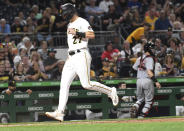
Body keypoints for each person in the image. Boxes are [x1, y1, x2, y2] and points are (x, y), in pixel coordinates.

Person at [45, 3, 119, 121]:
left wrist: (77, 32)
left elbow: (91, 35)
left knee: (86, 84)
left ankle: (110, 91)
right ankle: (60, 112)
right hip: (71, 57)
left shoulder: (82, 22)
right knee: (63, 85)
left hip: (81, 54)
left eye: (64, 14)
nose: (64, 16)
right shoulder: (70, 24)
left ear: (69, 12)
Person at [130, 41, 161, 118]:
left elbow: (133, 69)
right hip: (147, 80)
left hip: (139, 80)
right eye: (152, 48)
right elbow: (149, 72)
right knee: (149, 102)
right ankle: (141, 117)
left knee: (140, 99)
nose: (154, 50)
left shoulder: (140, 58)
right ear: (148, 49)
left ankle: (135, 106)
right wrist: (156, 81)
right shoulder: (150, 58)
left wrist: (142, 67)